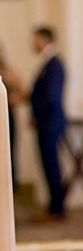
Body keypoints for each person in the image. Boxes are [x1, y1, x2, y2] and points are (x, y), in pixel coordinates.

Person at [30, 26, 67, 220]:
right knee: (48, 164)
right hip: (46, 121)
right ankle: (54, 206)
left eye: (34, 39)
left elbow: (50, 96)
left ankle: (57, 209)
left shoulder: (54, 64)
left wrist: (37, 112)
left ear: (44, 39)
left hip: (50, 122)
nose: (32, 43)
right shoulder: (48, 62)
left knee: (52, 164)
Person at [0, 45, 25, 189]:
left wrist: (10, 101)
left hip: (6, 117)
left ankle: (9, 190)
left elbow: (23, 91)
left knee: (7, 152)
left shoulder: (8, 72)